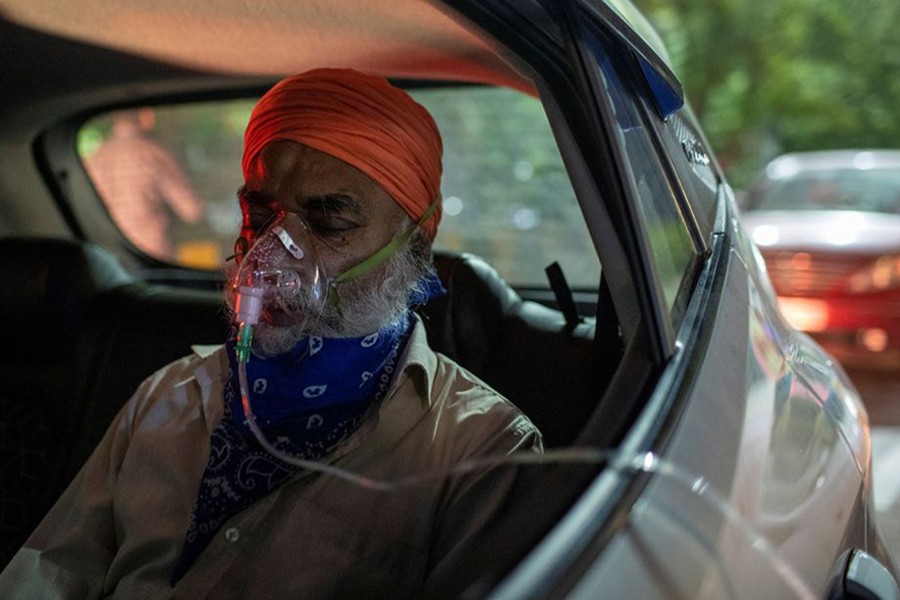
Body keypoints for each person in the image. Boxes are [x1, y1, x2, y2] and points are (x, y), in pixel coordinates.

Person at [0, 68, 542, 598]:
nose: (273, 251)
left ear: (417, 237)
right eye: (260, 214)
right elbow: (48, 572)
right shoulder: (167, 396)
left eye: (329, 222)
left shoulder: (481, 451)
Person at [84, 108, 205, 260]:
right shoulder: (152, 153)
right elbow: (191, 210)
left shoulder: (93, 158)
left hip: (110, 255)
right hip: (152, 256)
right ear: (145, 115)